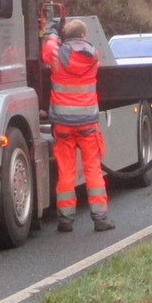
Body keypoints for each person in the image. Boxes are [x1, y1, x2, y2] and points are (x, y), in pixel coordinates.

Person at [41, 17, 115, 233]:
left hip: (63, 126)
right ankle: (100, 219)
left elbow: (48, 47)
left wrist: (52, 32)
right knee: (93, 171)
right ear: (84, 36)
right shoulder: (94, 57)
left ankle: (65, 220)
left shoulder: (56, 56)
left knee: (66, 173)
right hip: (88, 125)